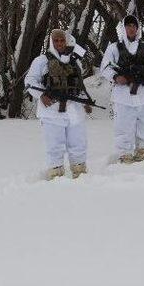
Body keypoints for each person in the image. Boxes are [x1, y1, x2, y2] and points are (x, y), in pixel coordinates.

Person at [25, 29, 92, 180]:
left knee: (78, 142)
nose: (59, 43)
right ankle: (56, 173)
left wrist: (85, 101)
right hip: (52, 110)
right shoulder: (42, 60)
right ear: (51, 42)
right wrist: (41, 95)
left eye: (62, 40)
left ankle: (80, 172)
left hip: (74, 109)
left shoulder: (75, 60)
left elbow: (79, 84)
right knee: (54, 144)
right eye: (56, 41)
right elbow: (29, 81)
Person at [100, 15, 144, 163]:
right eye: (128, 26)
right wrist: (116, 77)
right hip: (123, 95)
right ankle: (125, 155)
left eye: (134, 26)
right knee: (123, 126)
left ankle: (142, 152)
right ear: (124, 28)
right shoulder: (114, 48)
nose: (131, 28)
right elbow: (105, 68)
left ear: (137, 28)